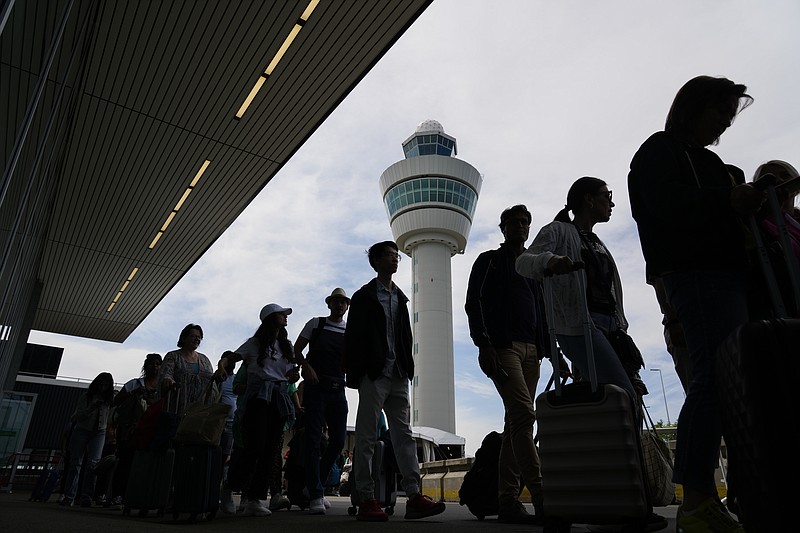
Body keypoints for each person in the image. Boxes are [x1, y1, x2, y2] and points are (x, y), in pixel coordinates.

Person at [628, 75, 764, 533]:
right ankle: (698, 497)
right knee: (713, 380)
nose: (722, 127)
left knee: (730, 381)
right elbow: (667, 208)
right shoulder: (659, 153)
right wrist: (727, 198)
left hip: (728, 276)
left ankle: (721, 494)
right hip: (699, 275)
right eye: (718, 115)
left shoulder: (708, 160)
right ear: (692, 108)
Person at [344, 240, 446, 521]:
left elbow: (404, 337)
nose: (395, 260)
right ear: (376, 261)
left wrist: (409, 366)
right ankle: (366, 498)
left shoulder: (401, 297)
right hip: (374, 374)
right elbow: (353, 338)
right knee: (366, 436)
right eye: (390, 256)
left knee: (404, 436)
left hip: (399, 373)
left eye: (396, 256)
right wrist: (355, 374)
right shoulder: (363, 297)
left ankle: (414, 496)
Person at [516, 178, 642, 401]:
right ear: (589, 199)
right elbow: (523, 262)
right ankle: (629, 436)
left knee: (614, 395)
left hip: (611, 327)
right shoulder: (558, 231)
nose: (611, 204)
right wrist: (549, 261)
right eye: (607, 196)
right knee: (623, 394)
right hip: (580, 324)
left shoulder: (597, 241)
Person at [464, 204, 546, 524]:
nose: (521, 226)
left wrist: (549, 349)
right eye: (515, 222)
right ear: (503, 227)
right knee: (525, 414)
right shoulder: (489, 262)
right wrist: (484, 344)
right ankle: (541, 494)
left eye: (526, 222)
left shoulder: (532, 267)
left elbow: (541, 310)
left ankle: (507, 499)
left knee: (516, 422)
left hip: (532, 351)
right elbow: (474, 303)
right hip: (504, 349)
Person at [217, 304, 300, 518]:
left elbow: (289, 373)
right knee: (256, 447)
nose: (285, 317)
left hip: (279, 398)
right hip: (258, 399)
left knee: (271, 450)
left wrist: (293, 376)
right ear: (271, 318)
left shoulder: (286, 345)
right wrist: (222, 364)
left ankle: (255, 499)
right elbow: (232, 357)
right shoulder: (254, 344)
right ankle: (229, 487)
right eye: (282, 314)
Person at [293, 287, 351, 515]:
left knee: (338, 442)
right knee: (313, 440)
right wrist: (306, 367)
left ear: (346, 306)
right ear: (329, 304)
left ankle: (314, 485)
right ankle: (316, 494)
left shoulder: (350, 330)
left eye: (343, 302)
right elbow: (297, 350)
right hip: (317, 389)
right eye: (335, 301)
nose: (339, 305)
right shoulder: (315, 324)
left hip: (339, 389)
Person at [110, 353, 162, 507]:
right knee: (126, 461)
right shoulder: (134, 384)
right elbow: (116, 401)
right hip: (130, 429)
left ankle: (138, 496)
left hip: (151, 429)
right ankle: (118, 495)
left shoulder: (162, 387)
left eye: (158, 364)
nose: (155, 366)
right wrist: (134, 393)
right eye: (152, 363)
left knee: (145, 464)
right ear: (146, 366)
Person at [62, 372, 115, 507]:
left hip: (99, 432)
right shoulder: (86, 397)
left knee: (93, 465)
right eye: (101, 384)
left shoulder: (110, 400)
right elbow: (76, 416)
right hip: (82, 430)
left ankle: (86, 497)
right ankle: (70, 496)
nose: (102, 387)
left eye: (106, 385)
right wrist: (91, 408)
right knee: (76, 463)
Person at [157, 323, 218, 415]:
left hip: (200, 410)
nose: (197, 339)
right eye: (193, 336)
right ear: (184, 338)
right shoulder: (173, 356)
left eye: (199, 337)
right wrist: (168, 380)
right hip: (177, 408)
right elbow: (166, 374)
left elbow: (211, 381)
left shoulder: (205, 360)